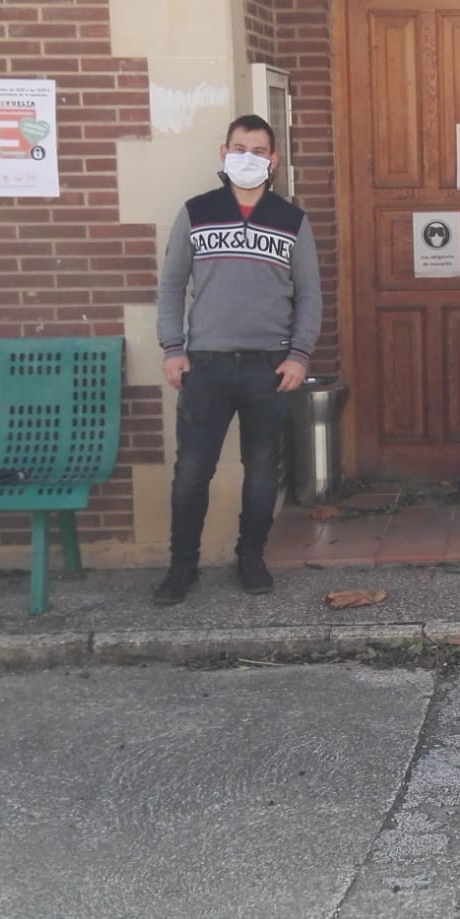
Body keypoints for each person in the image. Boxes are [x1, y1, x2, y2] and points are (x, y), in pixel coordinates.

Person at [154, 114, 322, 605]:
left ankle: (252, 557)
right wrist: (172, 347)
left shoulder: (291, 219)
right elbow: (170, 284)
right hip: (204, 364)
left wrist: (299, 355)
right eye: (238, 148)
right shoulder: (196, 212)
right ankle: (181, 567)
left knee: (264, 469)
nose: (247, 157)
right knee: (191, 472)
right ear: (222, 152)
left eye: (258, 150)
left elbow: (310, 293)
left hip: (268, 366)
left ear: (273, 159)